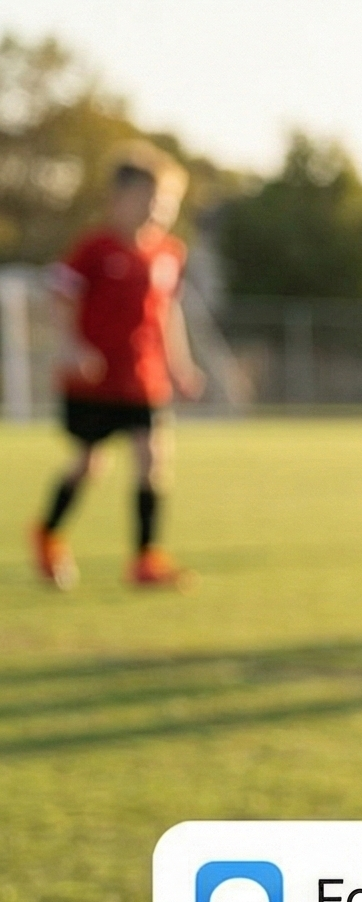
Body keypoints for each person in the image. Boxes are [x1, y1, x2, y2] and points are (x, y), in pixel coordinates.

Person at [31, 145, 205, 592]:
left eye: (166, 204)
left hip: (143, 379)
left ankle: (146, 559)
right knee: (89, 464)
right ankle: (48, 535)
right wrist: (71, 346)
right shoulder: (94, 248)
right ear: (119, 198)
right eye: (149, 201)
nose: (157, 212)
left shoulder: (169, 253)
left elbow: (168, 314)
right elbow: (59, 297)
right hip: (93, 380)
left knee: (153, 460)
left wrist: (180, 366)